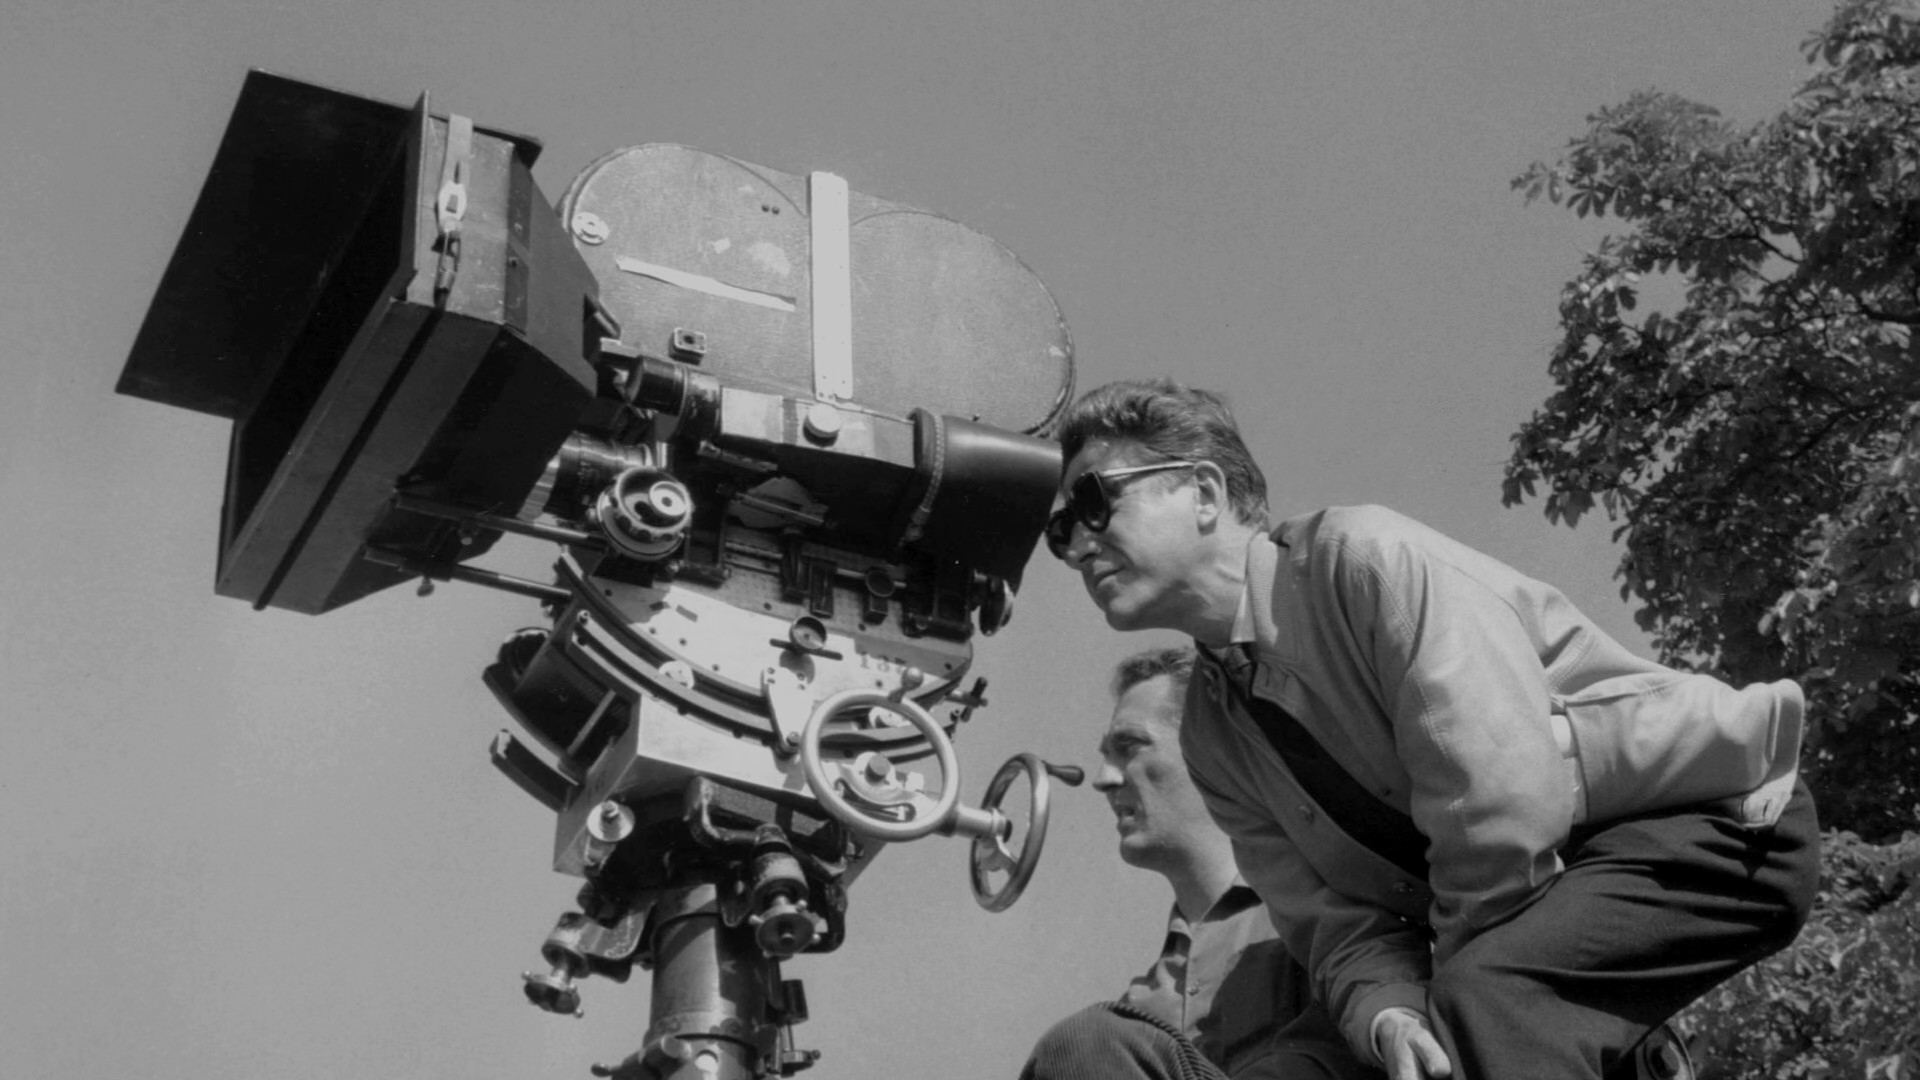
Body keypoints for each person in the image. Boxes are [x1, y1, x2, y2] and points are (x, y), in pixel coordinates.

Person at [1041, 378, 1820, 1080]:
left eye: (1096, 502)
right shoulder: (1213, 730)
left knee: (1492, 1003)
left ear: (1205, 491)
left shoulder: (1364, 560)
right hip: (1493, 913)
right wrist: (1387, 1014)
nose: (1078, 544)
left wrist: (1440, 1001)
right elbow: (1330, 924)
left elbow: (1500, 803)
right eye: (1060, 530)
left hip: (1707, 829)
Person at [1022, 646, 1377, 1080]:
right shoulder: (1140, 1010)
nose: (1104, 778)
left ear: (1211, 748)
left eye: (1128, 746)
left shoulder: (1334, 918)